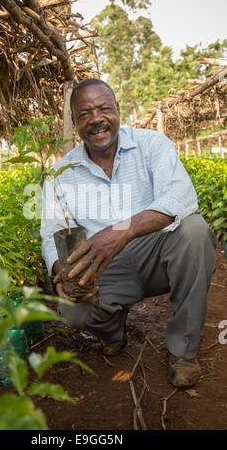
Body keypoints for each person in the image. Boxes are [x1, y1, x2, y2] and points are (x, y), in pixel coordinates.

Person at [40, 78, 217, 388]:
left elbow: (181, 199)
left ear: (118, 111)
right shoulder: (60, 174)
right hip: (103, 268)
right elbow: (51, 232)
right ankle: (112, 329)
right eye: (84, 114)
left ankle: (183, 351)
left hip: (156, 253)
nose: (95, 119)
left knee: (194, 230)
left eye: (104, 109)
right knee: (73, 311)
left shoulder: (152, 145)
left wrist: (120, 232)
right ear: (74, 123)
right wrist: (62, 271)